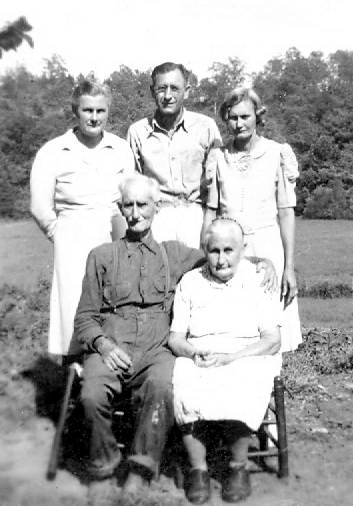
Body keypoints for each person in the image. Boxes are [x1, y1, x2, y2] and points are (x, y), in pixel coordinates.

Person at [73, 175, 276, 505]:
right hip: (112, 343)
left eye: (143, 205)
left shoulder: (174, 254)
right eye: (129, 205)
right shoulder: (101, 256)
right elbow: (84, 317)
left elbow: (219, 256)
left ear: (156, 208)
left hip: (157, 347)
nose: (136, 213)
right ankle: (104, 464)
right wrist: (103, 345)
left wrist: (259, 263)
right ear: (120, 209)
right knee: (92, 395)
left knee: (163, 388)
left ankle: (140, 470)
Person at [168, 217, 282, 504]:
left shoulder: (258, 279)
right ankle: (198, 470)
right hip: (202, 353)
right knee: (183, 378)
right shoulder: (190, 282)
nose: (221, 260)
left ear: (243, 249)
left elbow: (272, 339)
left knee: (244, 380)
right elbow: (176, 338)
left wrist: (232, 357)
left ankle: (237, 466)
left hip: (248, 352)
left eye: (228, 250)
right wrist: (194, 353)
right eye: (214, 250)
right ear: (204, 249)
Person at [30, 78, 134, 358]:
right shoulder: (53, 151)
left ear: (108, 112)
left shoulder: (121, 149)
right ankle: (75, 367)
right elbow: (40, 206)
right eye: (88, 110)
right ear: (76, 111)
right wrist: (61, 235)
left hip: (113, 231)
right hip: (72, 233)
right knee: (74, 300)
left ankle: (115, 365)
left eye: (100, 111)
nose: (94, 117)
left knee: (115, 299)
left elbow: (130, 195)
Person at [204, 87, 301, 352]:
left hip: (268, 244)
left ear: (258, 116)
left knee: (272, 329)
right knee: (235, 329)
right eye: (233, 117)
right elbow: (211, 211)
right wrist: (205, 252)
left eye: (245, 116)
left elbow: (285, 212)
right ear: (226, 119)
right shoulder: (219, 158)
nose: (239, 123)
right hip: (230, 248)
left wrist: (289, 267)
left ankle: (274, 386)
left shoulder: (276, 154)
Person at [127, 61, 222, 248]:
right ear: (152, 91)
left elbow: (217, 181)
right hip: (157, 218)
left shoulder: (206, 127)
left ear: (186, 91)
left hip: (197, 217)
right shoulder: (137, 132)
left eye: (174, 88)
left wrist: (210, 223)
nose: (168, 96)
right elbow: (134, 183)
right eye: (162, 88)